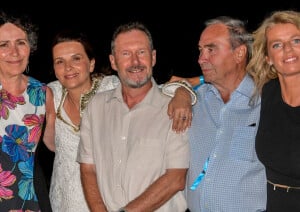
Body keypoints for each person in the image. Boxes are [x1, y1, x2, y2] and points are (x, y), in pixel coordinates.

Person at [43, 28, 194, 212]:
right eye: (60, 61)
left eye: (76, 58)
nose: (68, 67)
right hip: (66, 199)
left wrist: (182, 93)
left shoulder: (112, 86)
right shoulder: (51, 94)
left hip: (111, 200)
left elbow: (155, 85)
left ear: (91, 64)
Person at [166, 16, 267, 211]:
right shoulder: (196, 100)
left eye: (211, 49)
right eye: (200, 50)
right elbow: (160, 89)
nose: (201, 58)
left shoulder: (265, 103)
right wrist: (181, 91)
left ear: (239, 54)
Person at [0, 9, 53, 211]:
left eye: (21, 43)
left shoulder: (42, 93)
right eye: (4, 45)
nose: (14, 52)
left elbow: (55, 144)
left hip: (28, 200)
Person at [247, 10, 300, 211]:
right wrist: (186, 87)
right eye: (277, 45)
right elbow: (222, 81)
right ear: (268, 57)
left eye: (296, 40)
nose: (288, 49)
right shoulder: (266, 94)